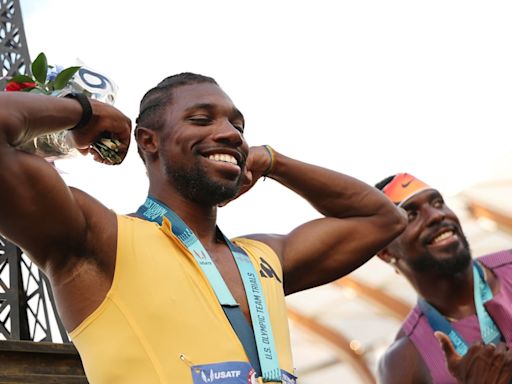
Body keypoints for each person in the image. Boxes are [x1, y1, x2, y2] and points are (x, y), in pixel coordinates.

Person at [0, 73, 406, 384]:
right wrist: (83, 111)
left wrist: (273, 162)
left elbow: (383, 219)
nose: (231, 134)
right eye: (200, 119)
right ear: (148, 141)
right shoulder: (100, 241)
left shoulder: (263, 259)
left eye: (239, 127)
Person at [375, 173, 512, 384]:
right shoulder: (403, 362)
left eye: (438, 203)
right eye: (411, 215)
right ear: (386, 252)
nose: (436, 215)